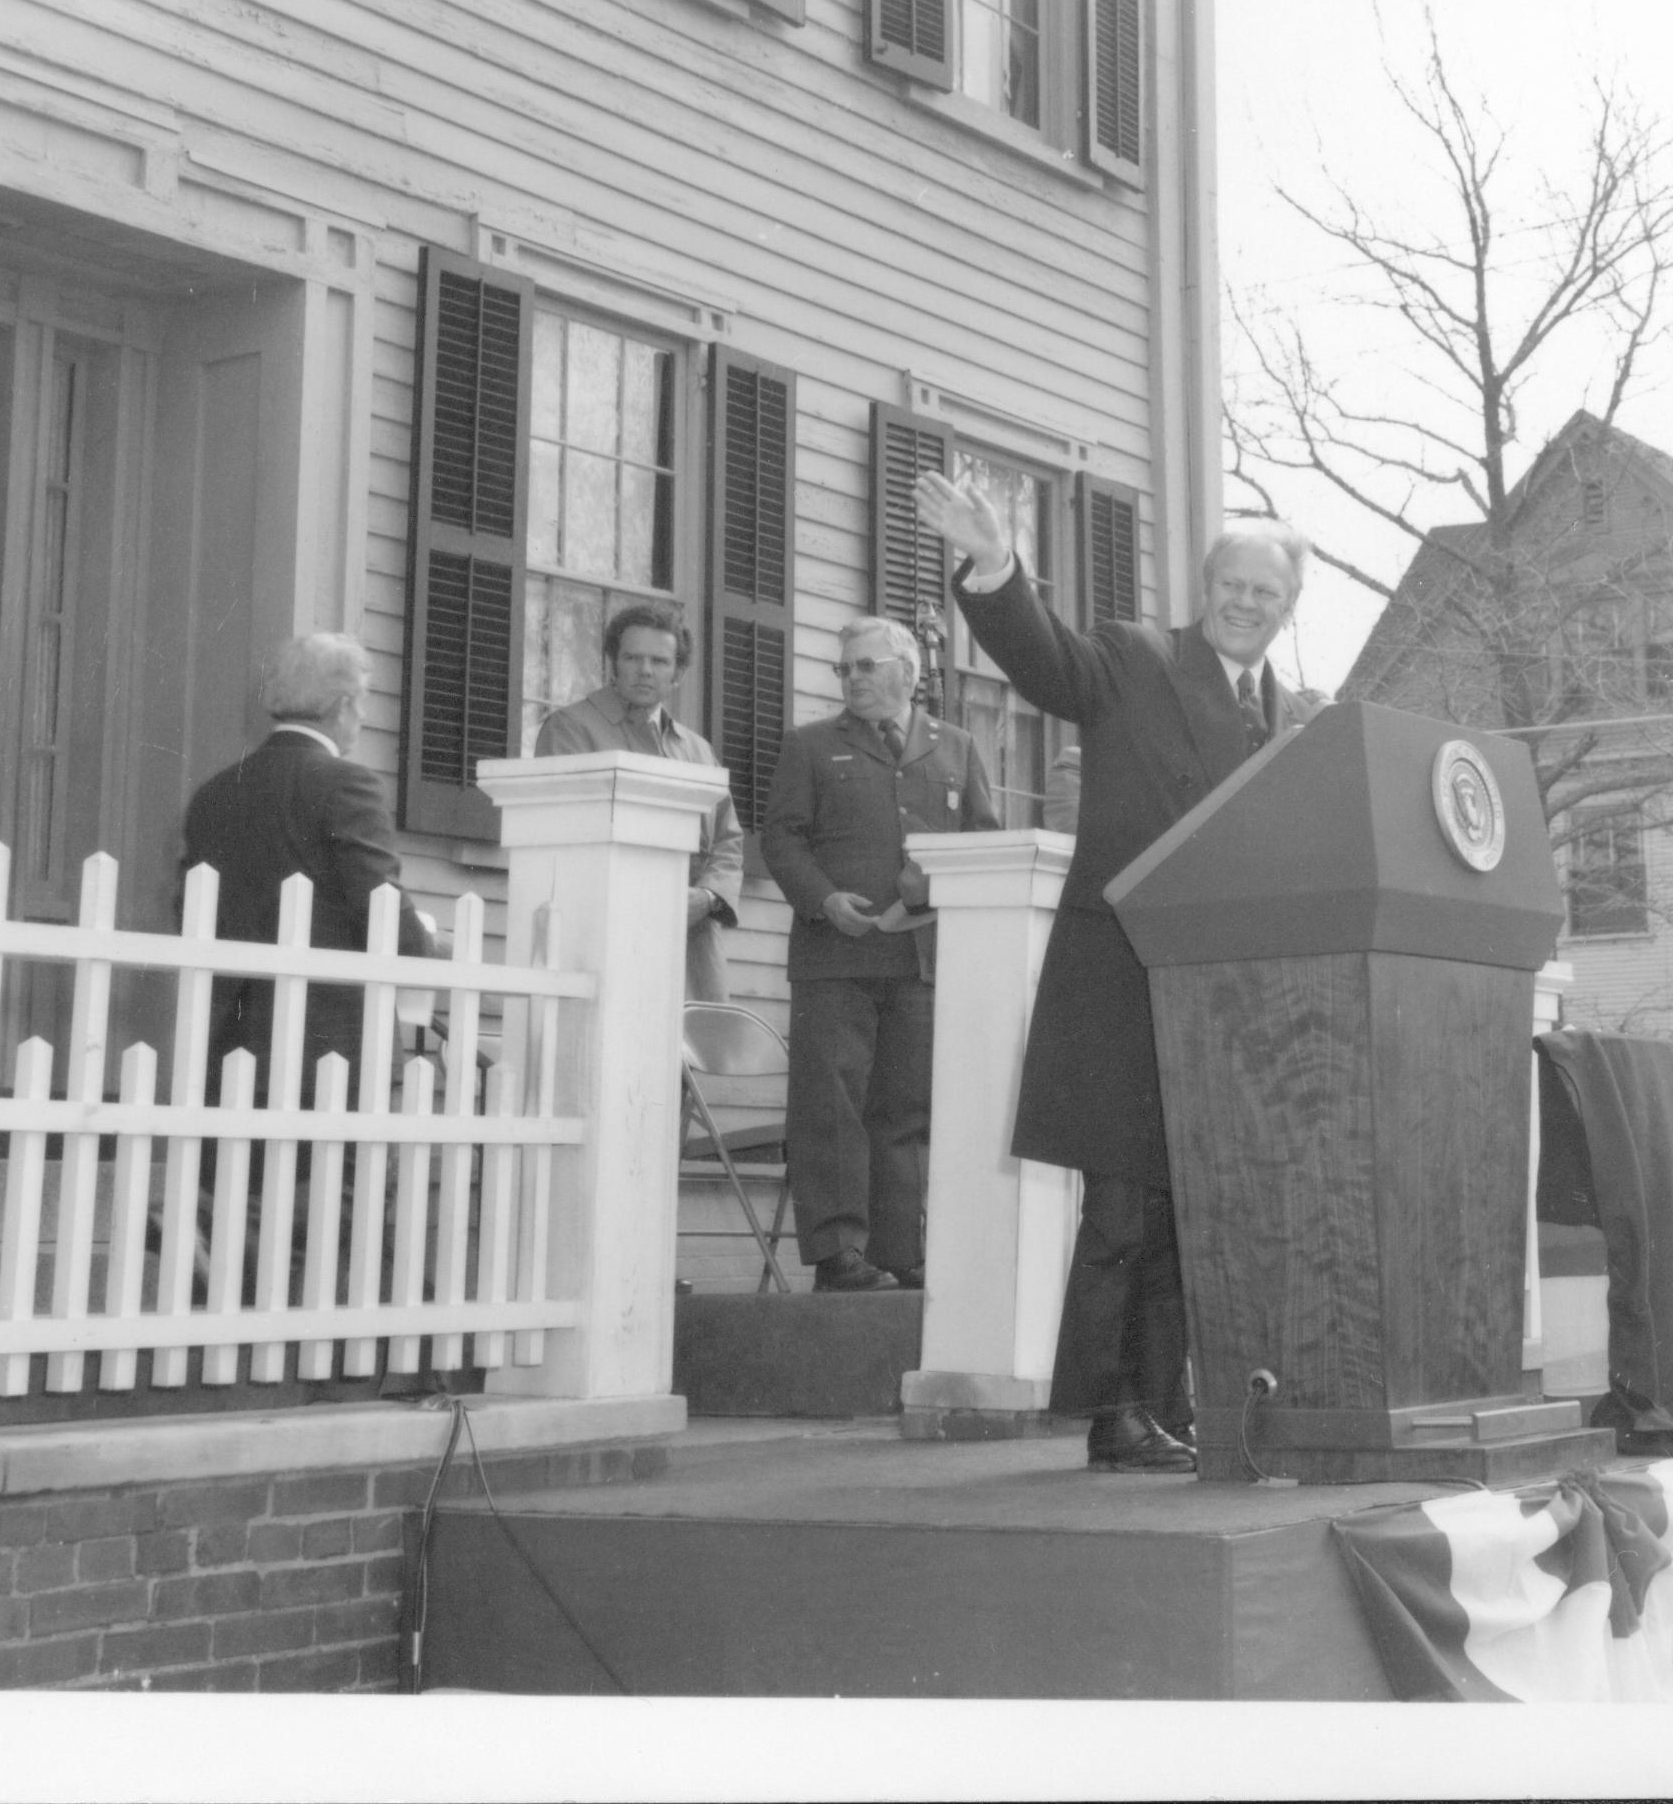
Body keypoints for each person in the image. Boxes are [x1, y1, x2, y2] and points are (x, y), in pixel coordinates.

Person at [916, 469, 1309, 1474]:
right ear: (1206, 586)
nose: (1245, 603)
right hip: (1120, 981)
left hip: (1215, 1000)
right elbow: (1047, 665)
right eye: (1233, 584)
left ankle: (1159, 1407)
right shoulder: (1138, 660)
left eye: (1266, 593)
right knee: (1123, 1213)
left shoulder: (1288, 718)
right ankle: (1107, 1410)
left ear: (1287, 608)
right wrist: (998, 567)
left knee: (1185, 1215)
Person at [760, 615, 998, 1293]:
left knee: (904, 1109)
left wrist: (939, 887)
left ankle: (900, 1251)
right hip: (835, 955)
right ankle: (838, 1253)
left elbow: (982, 842)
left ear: (908, 670)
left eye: (865, 666)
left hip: (920, 959)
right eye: (845, 668)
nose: (853, 679)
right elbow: (782, 839)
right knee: (829, 1104)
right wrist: (823, 899)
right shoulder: (809, 746)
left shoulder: (954, 747)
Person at [181, 633, 444, 1094]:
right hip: (329, 1055)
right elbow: (384, 913)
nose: (363, 715)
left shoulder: (214, 793)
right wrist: (428, 942)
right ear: (341, 706)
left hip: (231, 1051)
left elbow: (187, 912)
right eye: (362, 700)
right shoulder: (347, 786)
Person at [533, 603, 746, 1002]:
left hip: (691, 940)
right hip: (604, 931)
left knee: (689, 1055)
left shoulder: (697, 750)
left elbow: (728, 840)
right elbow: (570, 834)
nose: (645, 670)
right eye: (632, 657)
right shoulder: (572, 729)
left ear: (678, 673)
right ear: (613, 663)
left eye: (659, 661)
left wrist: (708, 897)